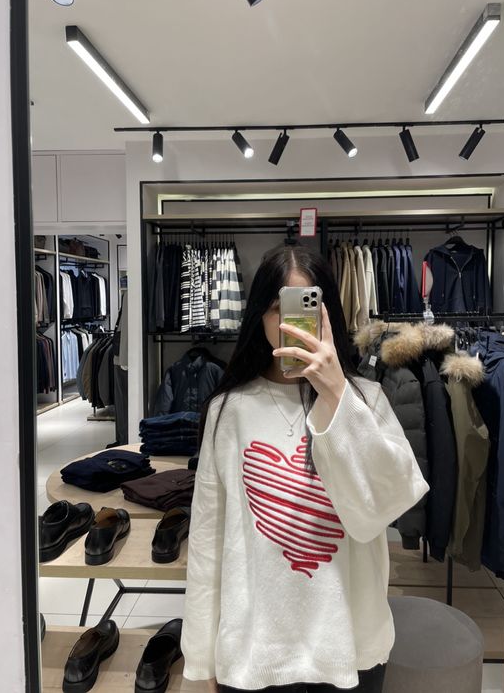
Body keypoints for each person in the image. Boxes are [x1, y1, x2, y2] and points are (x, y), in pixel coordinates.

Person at [181, 245, 430, 693]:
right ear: (259, 315)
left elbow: (386, 504)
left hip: (347, 644)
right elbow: (206, 542)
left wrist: (336, 392)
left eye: (305, 306)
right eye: (279, 307)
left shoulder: (367, 400)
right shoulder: (228, 410)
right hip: (254, 651)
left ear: (327, 314)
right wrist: (199, 660)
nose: (290, 322)